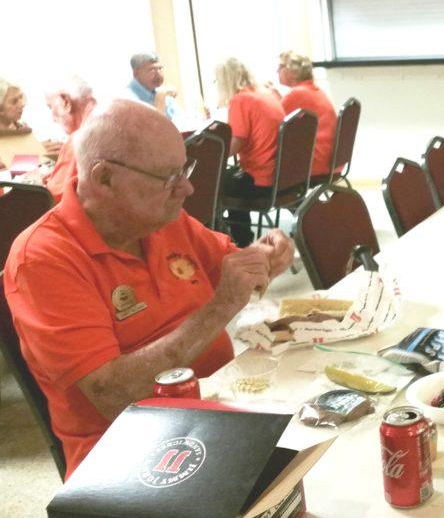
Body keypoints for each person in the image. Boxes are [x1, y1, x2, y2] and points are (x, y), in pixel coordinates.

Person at [3, 99, 294, 479]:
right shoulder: (43, 260)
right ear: (105, 177)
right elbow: (113, 396)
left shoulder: (161, 219)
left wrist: (266, 257)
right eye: (168, 177)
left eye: (185, 169)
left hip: (216, 417)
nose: (187, 188)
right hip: (130, 458)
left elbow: (238, 267)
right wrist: (219, 308)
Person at [215, 57, 286, 246]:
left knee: (209, 185)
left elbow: (236, 143)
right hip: (279, 176)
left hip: (260, 179)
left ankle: (233, 244)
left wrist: (211, 159)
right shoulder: (265, 94)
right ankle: (240, 239)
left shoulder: (241, 100)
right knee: (228, 179)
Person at [27, 77, 98, 203]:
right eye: (14, 101)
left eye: (50, 107)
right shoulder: (109, 122)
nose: (53, 119)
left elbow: (54, 197)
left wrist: (35, 180)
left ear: (66, 102)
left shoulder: (79, 139)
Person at [277, 51, 337, 178]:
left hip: (314, 163)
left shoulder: (297, 94)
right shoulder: (312, 90)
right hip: (329, 161)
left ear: (293, 71)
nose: (277, 71)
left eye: (280, 67)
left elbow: (272, 120)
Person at [125, 52, 179, 121]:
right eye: (152, 70)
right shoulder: (127, 101)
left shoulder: (162, 92)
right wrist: (160, 98)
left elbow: (183, 122)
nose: (158, 74)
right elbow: (154, 129)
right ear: (136, 73)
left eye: (160, 68)